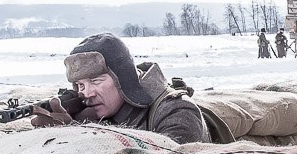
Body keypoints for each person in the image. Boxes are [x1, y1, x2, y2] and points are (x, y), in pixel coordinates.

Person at [31, 33, 210, 144]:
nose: (87, 93)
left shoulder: (176, 110)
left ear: (123, 79)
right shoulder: (93, 114)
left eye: (96, 80)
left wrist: (79, 138)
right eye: (80, 85)